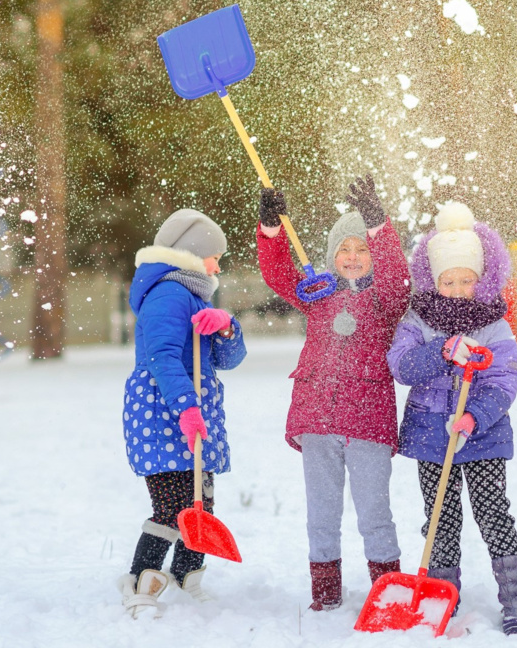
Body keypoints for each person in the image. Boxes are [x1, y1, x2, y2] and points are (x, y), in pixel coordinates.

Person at [256, 177, 410, 611]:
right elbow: (278, 274)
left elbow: (398, 278)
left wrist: (379, 226)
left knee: (374, 514)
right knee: (321, 514)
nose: (353, 256)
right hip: (317, 419)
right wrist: (271, 230)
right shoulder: (317, 295)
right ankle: (325, 595)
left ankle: (391, 593)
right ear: (331, 257)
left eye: (362, 249)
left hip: (368, 423)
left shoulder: (385, 300)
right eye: (345, 249)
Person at [386, 202, 517, 635]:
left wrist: (474, 416)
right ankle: (441, 596)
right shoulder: (417, 319)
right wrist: (441, 350)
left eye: (465, 279)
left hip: (482, 437)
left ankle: (515, 599)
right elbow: (402, 367)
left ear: (481, 278)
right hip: (431, 437)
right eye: (447, 280)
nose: (456, 288)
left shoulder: (494, 325)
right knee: (439, 517)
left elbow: (505, 379)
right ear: (434, 279)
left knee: (492, 513)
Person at [120, 208, 247, 618]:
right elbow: (162, 358)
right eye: (215, 255)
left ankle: (186, 575)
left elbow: (229, 359)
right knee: (173, 504)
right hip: (163, 413)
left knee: (199, 501)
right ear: (194, 253)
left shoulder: (195, 294)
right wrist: (186, 407)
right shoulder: (168, 293)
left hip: (191, 411)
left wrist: (227, 326)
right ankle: (140, 578)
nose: (219, 264)